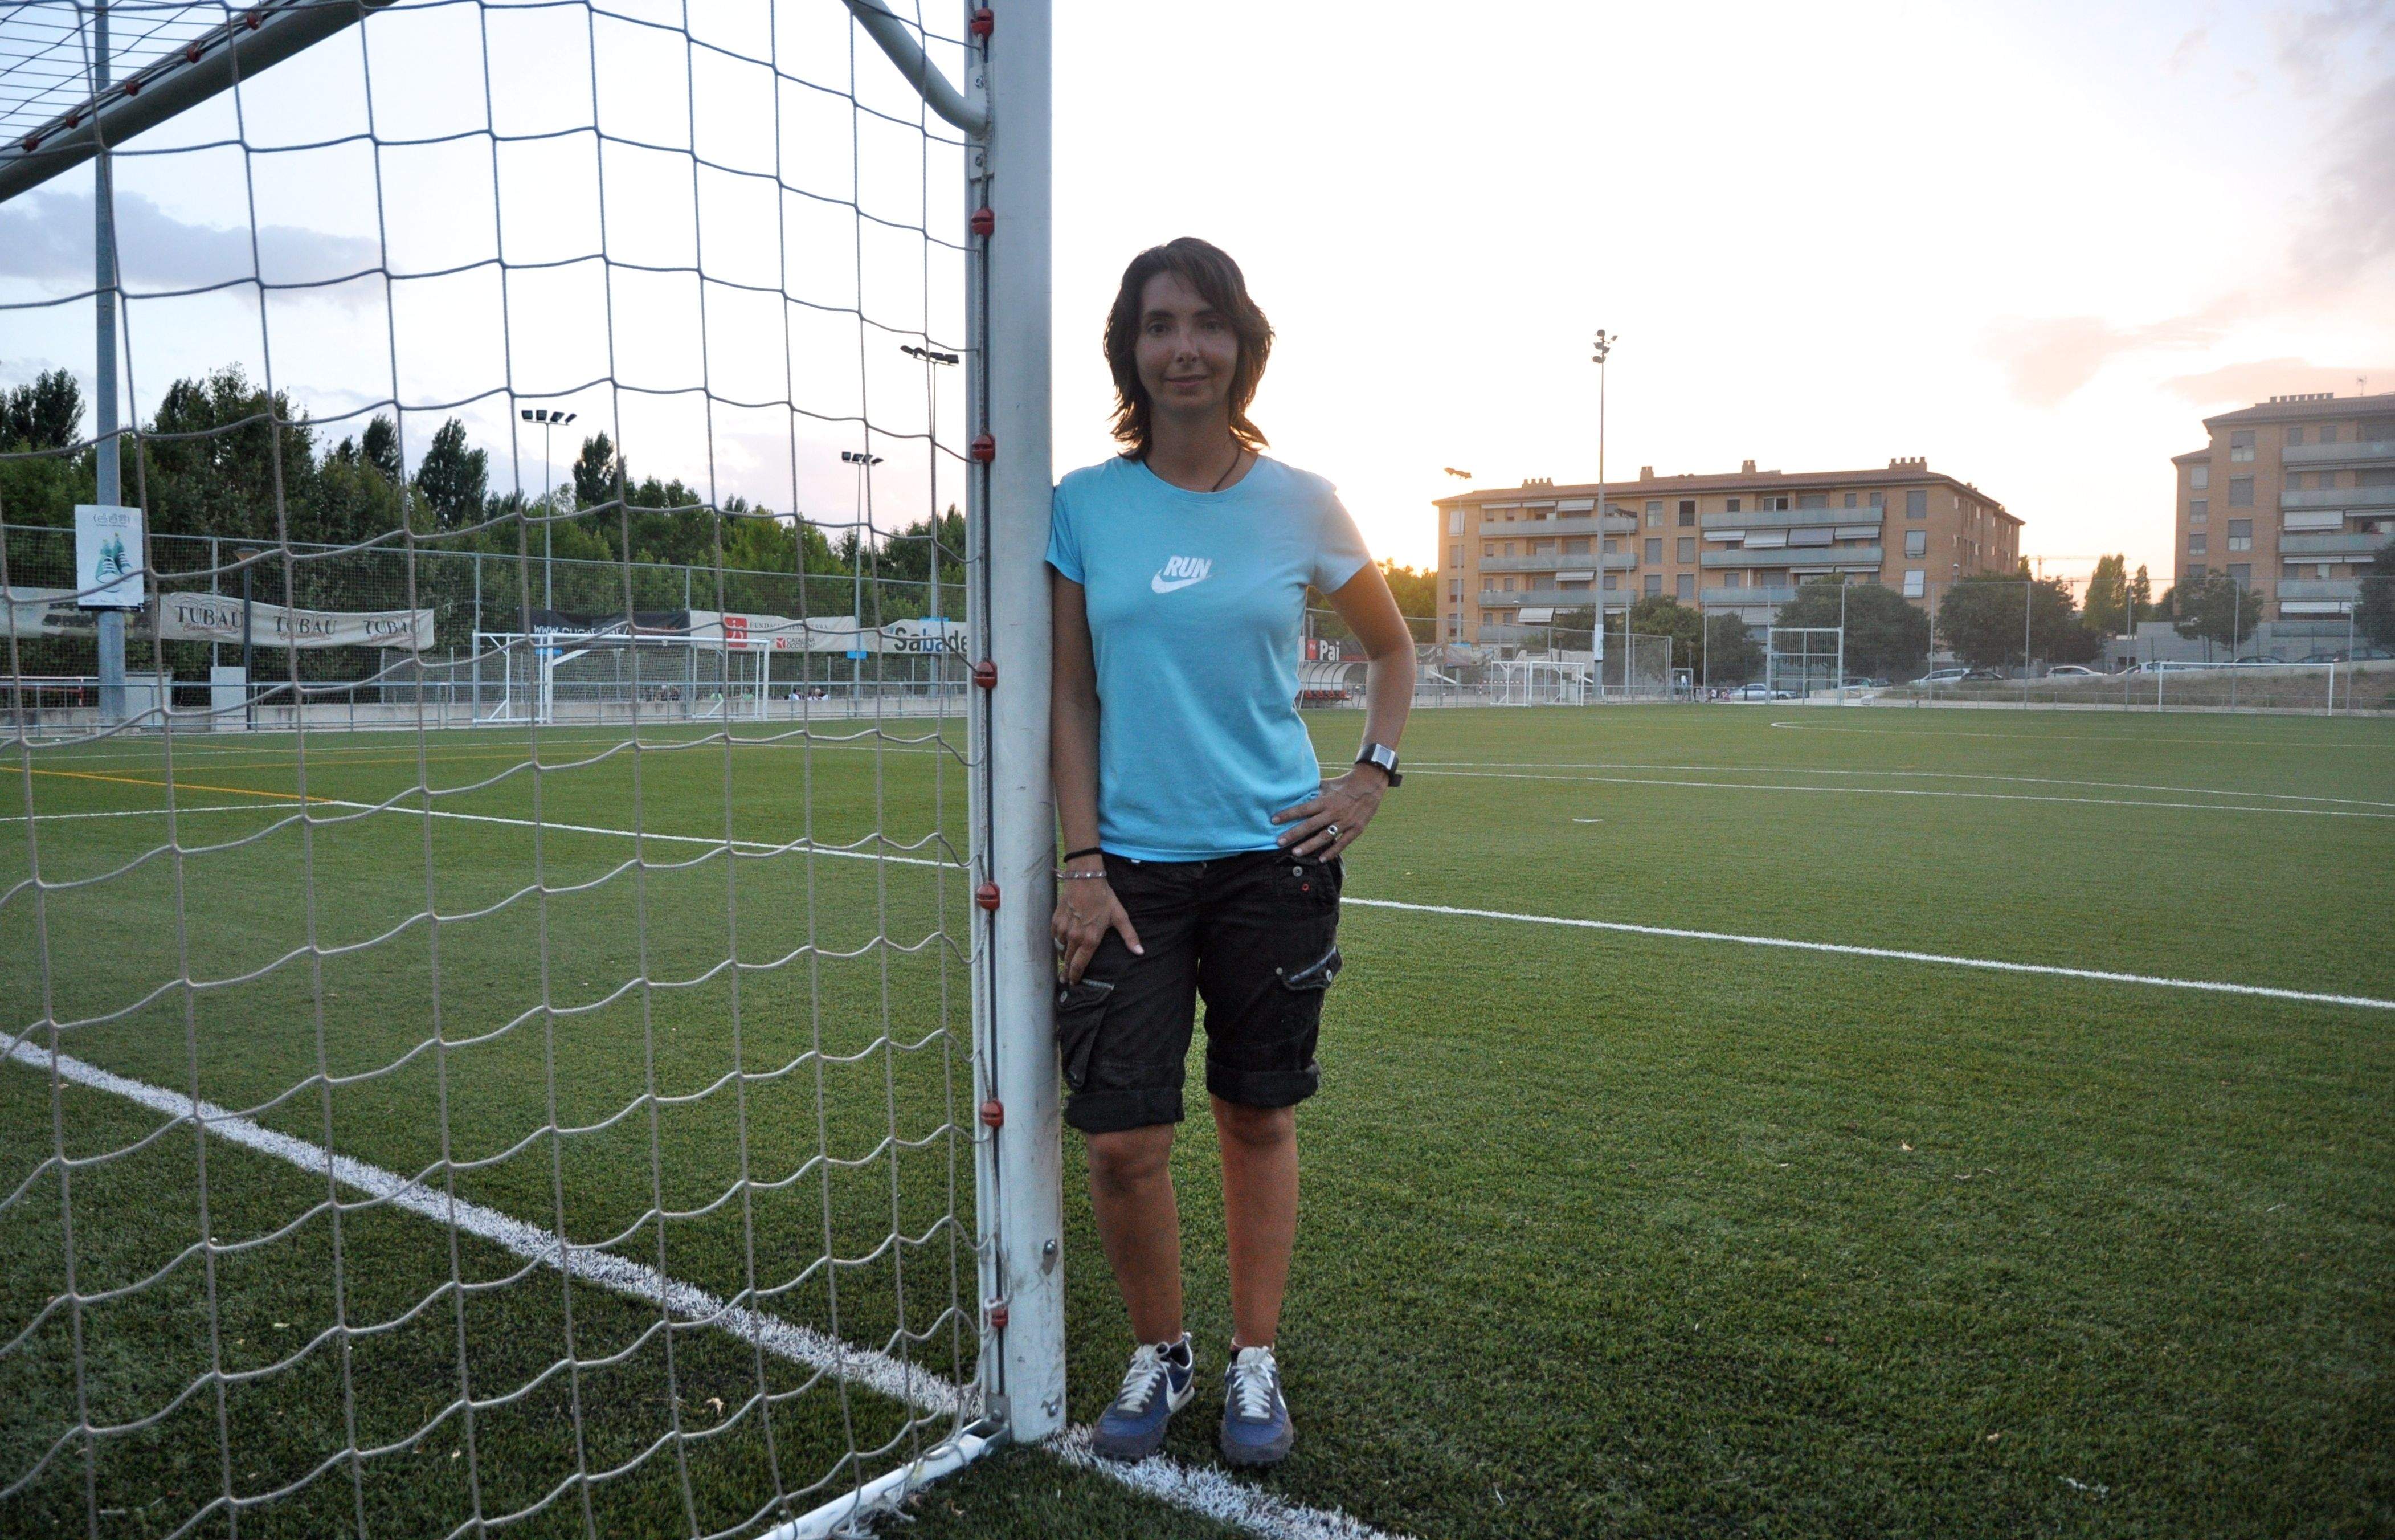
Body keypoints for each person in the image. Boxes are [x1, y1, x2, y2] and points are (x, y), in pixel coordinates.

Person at [1048, 238, 1415, 1467]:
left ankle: (1256, 1357)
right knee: (1119, 1138)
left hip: (1273, 859)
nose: (1183, 346)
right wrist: (1083, 859)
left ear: (1241, 345)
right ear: (1130, 350)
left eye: (1205, 322)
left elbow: (1391, 650)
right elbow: (1070, 696)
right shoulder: (1083, 505)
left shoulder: (1302, 500)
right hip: (1132, 870)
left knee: (1255, 1117)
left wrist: (1369, 773)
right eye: (1158, 324)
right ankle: (1161, 1349)